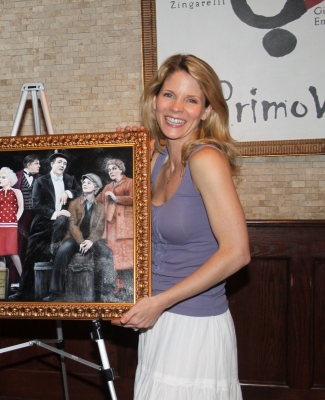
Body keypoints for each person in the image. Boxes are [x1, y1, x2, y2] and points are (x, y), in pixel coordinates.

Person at [112, 54, 251, 399]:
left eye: (192, 100)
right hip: (157, 321)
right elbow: (118, 216)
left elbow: (237, 253)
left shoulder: (206, 159)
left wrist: (159, 303)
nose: (177, 108)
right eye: (169, 95)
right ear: (155, 99)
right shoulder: (155, 158)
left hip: (194, 326)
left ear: (206, 110)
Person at [10, 152, 81, 300]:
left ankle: (55, 293)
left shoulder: (70, 180)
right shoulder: (41, 181)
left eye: (65, 164)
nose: (62, 165)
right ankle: (24, 292)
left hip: (64, 225)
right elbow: (37, 205)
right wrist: (56, 214)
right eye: (60, 162)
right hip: (44, 222)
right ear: (52, 164)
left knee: (59, 253)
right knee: (31, 255)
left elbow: (80, 191)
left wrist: (69, 192)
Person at [44, 173, 115, 302]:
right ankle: (56, 293)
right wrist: (82, 241)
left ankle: (106, 292)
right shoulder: (74, 203)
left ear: (96, 187)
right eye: (84, 183)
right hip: (75, 238)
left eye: (89, 182)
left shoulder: (101, 207)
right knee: (62, 251)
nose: (85, 184)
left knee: (107, 253)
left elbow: (99, 228)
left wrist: (90, 241)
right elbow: (72, 225)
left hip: (92, 240)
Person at [96, 158, 134, 300]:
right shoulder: (107, 186)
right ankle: (118, 286)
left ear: (121, 169)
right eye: (109, 169)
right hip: (110, 227)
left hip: (125, 226)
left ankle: (130, 289)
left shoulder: (130, 182)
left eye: (114, 168)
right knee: (115, 258)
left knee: (127, 259)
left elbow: (137, 198)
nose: (111, 171)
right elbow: (97, 201)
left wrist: (117, 198)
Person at [11, 155, 41, 287]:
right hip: (20, 217)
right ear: (29, 165)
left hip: (36, 217)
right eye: (36, 163)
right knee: (17, 246)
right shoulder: (15, 176)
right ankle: (15, 279)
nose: (39, 166)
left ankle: (32, 281)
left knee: (33, 247)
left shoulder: (40, 178)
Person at [0, 167, 24, 278]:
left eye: (3, 177)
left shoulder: (16, 192)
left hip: (11, 226)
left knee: (13, 252)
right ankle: (2, 282)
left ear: (9, 179)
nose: (0, 179)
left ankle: (23, 280)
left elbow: (21, 208)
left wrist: (14, 219)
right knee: (0, 254)